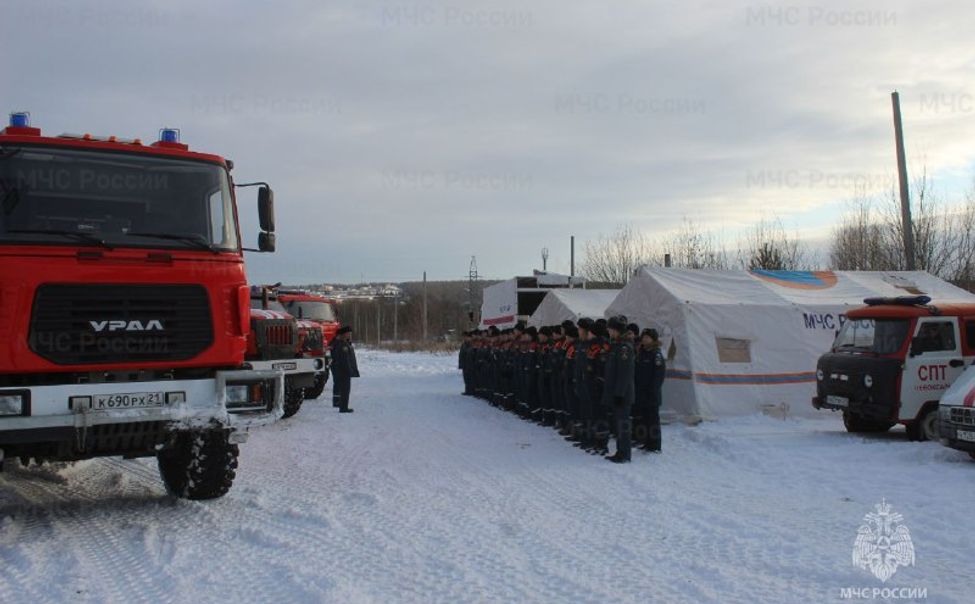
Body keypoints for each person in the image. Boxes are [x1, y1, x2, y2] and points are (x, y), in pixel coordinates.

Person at [603, 315, 635, 463]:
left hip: (622, 393)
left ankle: (624, 454)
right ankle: (620, 451)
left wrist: (619, 393)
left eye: (610, 329)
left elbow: (624, 373)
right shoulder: (616, 345)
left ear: (616, 330)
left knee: (623, 424)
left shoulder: (624, 348)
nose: (609, 332)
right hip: (616, 392)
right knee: (619, 423)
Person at [331, 325, 360, 413]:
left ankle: (341, 405)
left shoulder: (344, 343)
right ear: (343, 334)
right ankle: (343, 407)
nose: (349, 335)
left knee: (343, 388)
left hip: (342, 369)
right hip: (343, 370)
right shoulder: (342, 345)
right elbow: (344, 359)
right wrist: (349, 370)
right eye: (348, 333)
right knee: (345, 389)